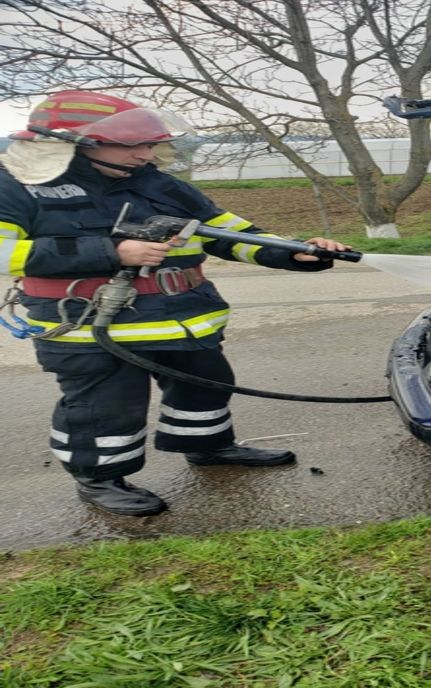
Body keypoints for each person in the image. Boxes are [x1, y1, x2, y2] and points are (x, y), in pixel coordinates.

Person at [0, 90, 351, 517]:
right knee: (106, 407)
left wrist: (295, 253)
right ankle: (100, 479)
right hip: (89, 327)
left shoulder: (161, 185)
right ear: (76, 142)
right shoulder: (18, 185)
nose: (146, 154)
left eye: (150, 144)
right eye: (132, 145)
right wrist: (111, 252)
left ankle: (209, 448)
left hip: (183, 318)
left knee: (206, 386)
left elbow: (231, 234)